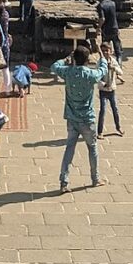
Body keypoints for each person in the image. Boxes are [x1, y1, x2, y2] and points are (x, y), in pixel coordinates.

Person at [51, 45, 107, 193]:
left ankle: (64, 181)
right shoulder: (90, 74)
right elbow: (103, 70)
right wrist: (102, 57)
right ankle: (95, 178)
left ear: (74, 58)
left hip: (72, 117)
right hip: (88, 119)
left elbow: (54, 66)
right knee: (92, 148)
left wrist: (65, 59)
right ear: (88, 60)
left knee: (69, 149)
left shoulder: (68, 72)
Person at [97, 41, 124, 138]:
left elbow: (121, 72)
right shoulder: (100, 62)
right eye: (103, 51)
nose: (105, 53)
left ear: (111, 51)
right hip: (103, 90)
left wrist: (113, 68)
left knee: (115, 109)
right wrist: (102, 84)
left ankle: (118, 127)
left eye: (107, 51)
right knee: (103, 110)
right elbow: (97, 76)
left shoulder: (113, 61)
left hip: (112, 90)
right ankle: (100, 131)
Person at [95, 0, 123, 64]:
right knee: (118, 49)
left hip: (106, 30)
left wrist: (98, 28)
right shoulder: (112, 3)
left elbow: (102, 19)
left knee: (105, 48)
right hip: (115, 28)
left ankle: (105, 63)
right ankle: (119, 63)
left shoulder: (100, 5)